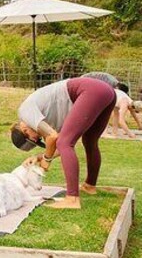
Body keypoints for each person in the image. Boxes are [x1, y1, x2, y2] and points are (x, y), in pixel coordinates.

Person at [10, 77, 116, 210]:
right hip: (106, 92)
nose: (38, 139)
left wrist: (46, 161)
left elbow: (54, 137)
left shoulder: (24, 112)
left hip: (90, 90)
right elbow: (61, 148)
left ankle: (72, 198)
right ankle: (90, 186)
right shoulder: (47, 119)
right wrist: (38, 158)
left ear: (25, 129)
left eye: (35, 139)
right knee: (89, 140)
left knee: (65, 142)